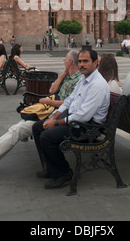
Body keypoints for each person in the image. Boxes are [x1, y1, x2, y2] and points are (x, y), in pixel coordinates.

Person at [0, 50, 81, 173]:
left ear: (70, 62)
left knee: (18, 129)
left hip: (57, 117)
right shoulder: (68, 76)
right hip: (49, 112)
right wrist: (65, 72)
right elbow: (52, 90)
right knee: (17, 128)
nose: (63, 62)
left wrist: (49, 102)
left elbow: (70, 104)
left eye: (65, 60)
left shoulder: (79, 80)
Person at [33, 49, 110, 189]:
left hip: (88, 128)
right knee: (38, 127)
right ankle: (50, 168)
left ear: (95, 63)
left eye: (85, 61)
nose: (81, 64)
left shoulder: (97, 84)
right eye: (80, 61)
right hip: (75, 121)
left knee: (47, 137)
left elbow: (83, 116)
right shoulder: (83, 79)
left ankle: (64, 174)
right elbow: (69, 101)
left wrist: (56, 122)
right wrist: (54, 116)